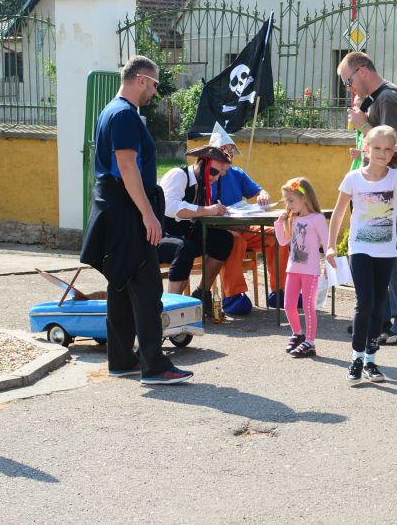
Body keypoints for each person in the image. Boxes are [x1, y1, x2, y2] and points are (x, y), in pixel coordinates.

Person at [79, 55, 192, 384]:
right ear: (141, 80)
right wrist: (148, 214)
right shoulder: (125, 114)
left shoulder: (109, 111)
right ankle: (154, 366)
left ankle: (121, 360)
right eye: (155, 85)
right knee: (146, 288)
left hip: (113, 207)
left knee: (120, 283)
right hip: (127, 209)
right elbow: (127, 166)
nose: (155, 92)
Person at [338, 51, 397, 344]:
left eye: (348, 81)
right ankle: (380, 319)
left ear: (361, 71)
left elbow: (395, 147)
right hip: (376, 188)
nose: (349, 88)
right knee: (379, 253)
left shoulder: (387, 99)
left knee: (396, 256)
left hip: (390, 189)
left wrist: (363, 125)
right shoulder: (378, 99)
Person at [326, 126, 397, 383]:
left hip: (386, 251)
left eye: (388, 149)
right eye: (377, 148)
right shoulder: (353, 178)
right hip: (360, 249)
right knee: (364, 302)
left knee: (378, 306)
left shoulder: (396, 177)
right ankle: (356, 359)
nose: (382, 153)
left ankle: (370, 360)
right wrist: (331, 245)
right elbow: (338, 213)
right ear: (366, 148)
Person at [207, 126, 288, 309]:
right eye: (223, 151)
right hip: (219, 231)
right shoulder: (204, 175)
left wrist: (263, 195)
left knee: (279, 235)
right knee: (233, 240)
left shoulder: (237, 173)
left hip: (243, 226)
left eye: (230, 152)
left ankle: (280, 291)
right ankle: (233, 295)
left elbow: (259, 191)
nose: (228, 155)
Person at [157, 144, 235, 318]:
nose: (215, 178)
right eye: (213, 172)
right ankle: (171, 309)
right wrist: (208, 210)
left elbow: (198, 215)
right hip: (159, 237)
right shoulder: (178, 175)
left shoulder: (203, 184)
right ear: (201, 164)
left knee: (224, 239)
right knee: (185, 248)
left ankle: (202, 293)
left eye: (219, 174)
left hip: (185, 235)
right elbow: (170, 207)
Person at [274, 177, 328, 358]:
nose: (288, 205)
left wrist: (328, 265)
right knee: (288, 305)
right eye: (286, 201)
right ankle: (297, 334)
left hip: (310, 271)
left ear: (304, 198)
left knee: (307, 307)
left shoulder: (317, 219)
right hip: (293, 269)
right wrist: (279, 223)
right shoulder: (294, 219)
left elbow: (327, 243)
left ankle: (310, 343)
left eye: (291, 200)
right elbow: (283, 241)